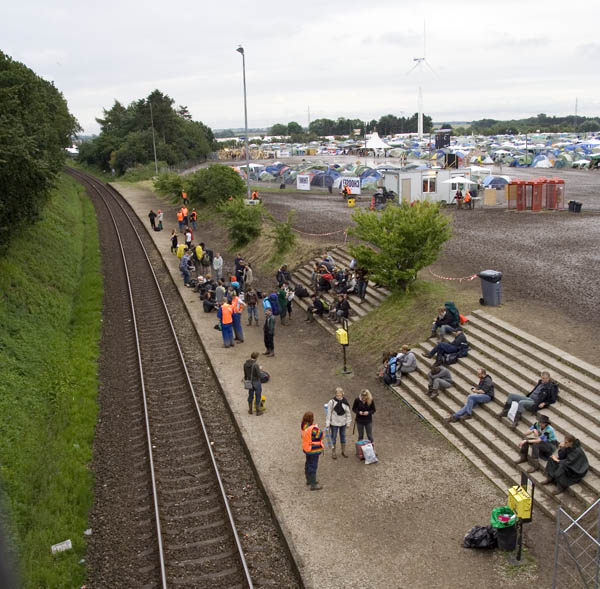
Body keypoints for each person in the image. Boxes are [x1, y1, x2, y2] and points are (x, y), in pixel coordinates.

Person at [325, 387, 352, 459]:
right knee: (333, 438)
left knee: (343, 437)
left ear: (342, 394)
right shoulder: (331, 402)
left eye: (339, 395)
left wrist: (348, 423)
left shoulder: (345, 402)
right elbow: (328, 413)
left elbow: (348, 413)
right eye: (337, 395)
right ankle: (333, 452)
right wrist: (327, 423)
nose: (338, 396)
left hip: (343, 423)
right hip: (334, 423)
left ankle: (343, 451)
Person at [301, 412, 324, 490]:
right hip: (313, 450)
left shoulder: (303, 426)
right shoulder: (313, 429)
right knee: (313, 466)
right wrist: (318, 429)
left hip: (307, 449)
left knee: (308, 464)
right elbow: (320, 435)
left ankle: (309, 480)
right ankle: (313, 484)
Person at [244, 352, 264, 416]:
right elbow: (258, 375)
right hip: (256, 382)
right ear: (256, 357)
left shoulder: (245, 364)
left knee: (250, 395)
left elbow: (245, 374)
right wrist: (260, 369)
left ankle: (250, 410)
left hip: (249, 382)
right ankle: (258, 411)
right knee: (258, 395)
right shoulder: (255, 365)